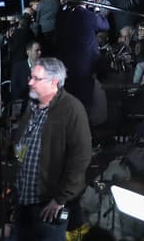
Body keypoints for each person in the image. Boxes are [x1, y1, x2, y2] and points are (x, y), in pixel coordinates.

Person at [13, 57, 92, 241]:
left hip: (48, 205)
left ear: (54, 82)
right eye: (30, 77)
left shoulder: (71, 109)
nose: (30, 82)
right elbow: (21, 147)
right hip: (23, 201)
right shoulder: (31, 107)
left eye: (36, 79)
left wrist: (60, 198)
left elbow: (80, 158)